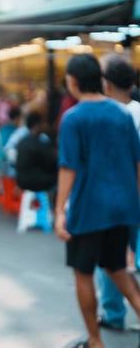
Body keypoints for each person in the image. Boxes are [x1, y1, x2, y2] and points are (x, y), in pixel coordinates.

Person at [55, 54, 140, 348]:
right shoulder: (122, 114)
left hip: (88, 208)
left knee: (84, 272)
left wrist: (59, 212)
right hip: (123, 207)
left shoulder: (73, 118)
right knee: (118, 268)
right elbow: (137, 163)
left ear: (74, 81)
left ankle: (95, 340)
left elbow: (69, 167)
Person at [95, 54, 140, 331]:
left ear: (107, 84)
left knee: (112, 259)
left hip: (120, 199)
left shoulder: (111, 117)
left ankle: (113, 314)